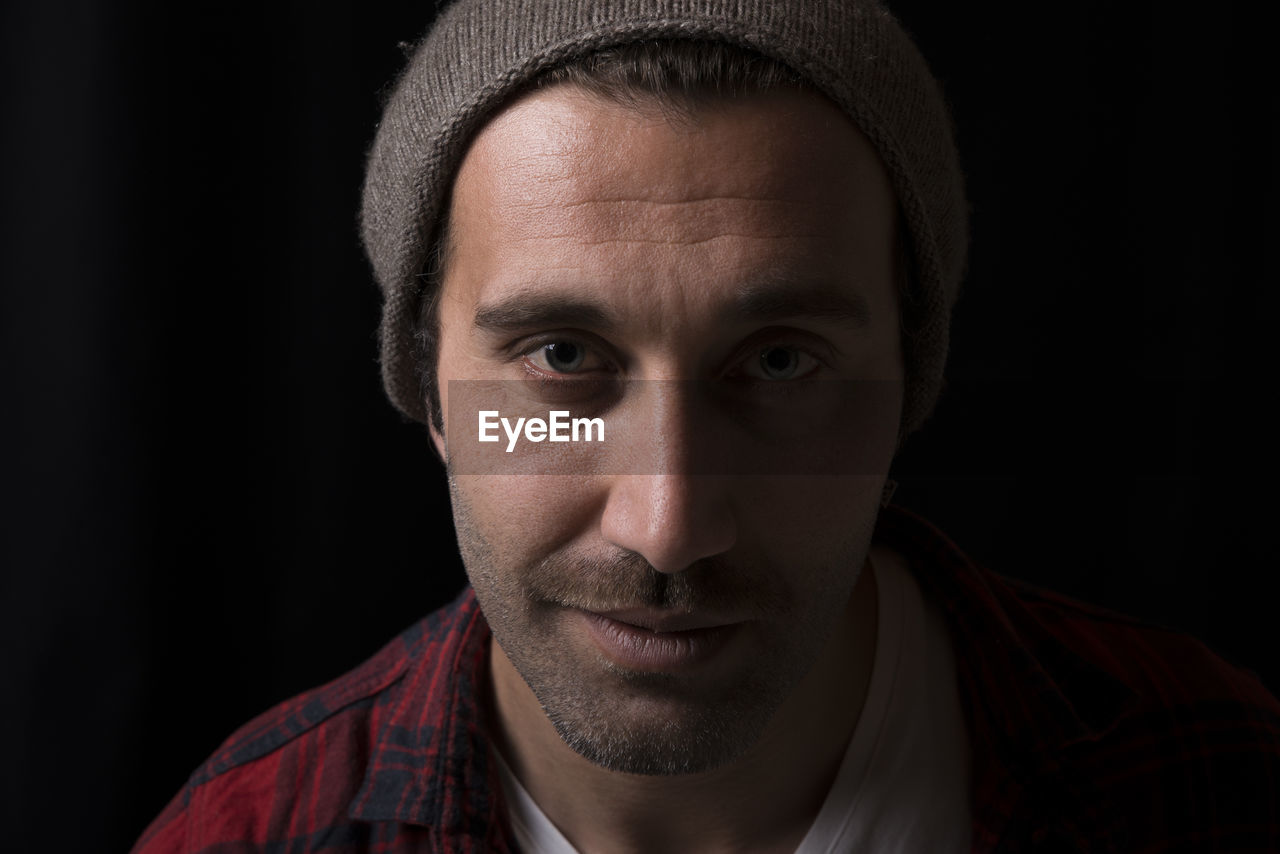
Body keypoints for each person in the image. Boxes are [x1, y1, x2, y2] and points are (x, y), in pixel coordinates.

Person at [132, 0, 1280, 851]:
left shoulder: (1214, 771)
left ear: (907, 379)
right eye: (562, 358)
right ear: (430, 388)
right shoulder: (246, 833)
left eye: (779, 362)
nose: (669, 525)